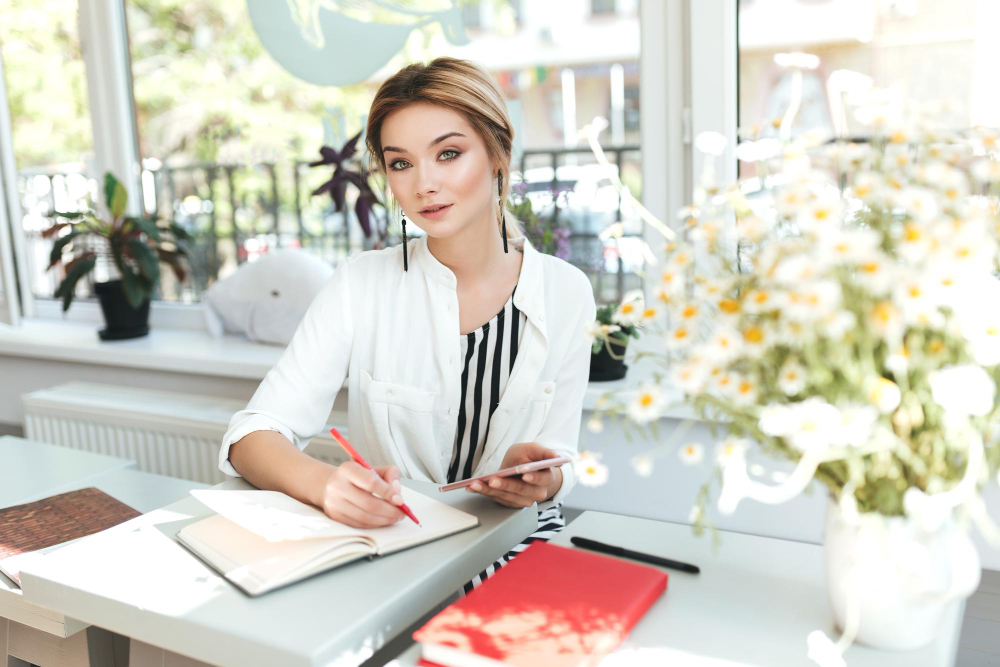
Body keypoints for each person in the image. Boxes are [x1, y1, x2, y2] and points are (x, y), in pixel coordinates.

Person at [219, 57, 596, 590]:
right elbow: (252, 435)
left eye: (448, 154)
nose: (424, 184)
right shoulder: (361, 284)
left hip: (521, 550)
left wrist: (541, 477)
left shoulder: (566, 292)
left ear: (498, 153)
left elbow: (563, 457)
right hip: (402, 559)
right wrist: (326, 485)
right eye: (401, 163)